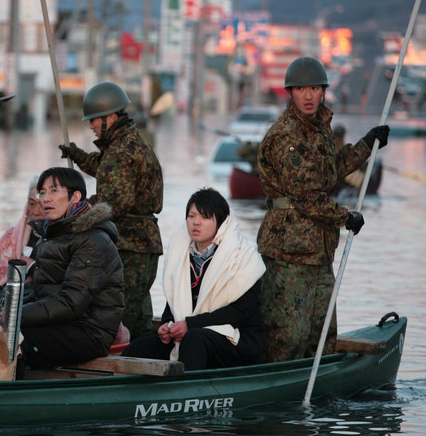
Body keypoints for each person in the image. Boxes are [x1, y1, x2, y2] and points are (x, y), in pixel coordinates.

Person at [256, 56, 390, 362]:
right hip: (290, 252)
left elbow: (331, 170)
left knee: (322, 335)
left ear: (323, 92)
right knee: (288, 336)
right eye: (301, 88)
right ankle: (279, 395)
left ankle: (318, 399)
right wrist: (346, 217)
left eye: (314, 88)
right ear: (289, 93)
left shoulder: (317, 130)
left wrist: (368, 144)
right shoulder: (287, 136)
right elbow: (305, 196)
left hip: (318, 250)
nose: (308, 95)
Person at [58, 81, 163, 339]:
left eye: (93, 120)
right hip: (144, 245)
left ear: (110, 117)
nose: (90, 125)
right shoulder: (129, 143)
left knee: (121, 316)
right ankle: (143, 358)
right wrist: (78, 156)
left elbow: (112, 203)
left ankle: (123, 367)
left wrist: (71, 209)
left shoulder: (120, 151)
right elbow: (108, 170)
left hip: (130, 248)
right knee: (139, 314)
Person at [122, 188, 265, 370]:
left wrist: (190, 325)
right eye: (191, 216)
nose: (196, 222)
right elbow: (173, 302)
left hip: (236, 339)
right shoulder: (180, 253)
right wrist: (167, 325)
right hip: (190, 335)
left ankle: (184, 395)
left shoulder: (242, 256)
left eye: (204, 217)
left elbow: (241, 312)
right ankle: (119, 393)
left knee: (195, 339)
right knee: (139, 346)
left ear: (221, 223)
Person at [19, 167, 124, 368]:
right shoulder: (53, 236)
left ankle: (10, 396)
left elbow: (71, 303)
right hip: (60, 323)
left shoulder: (94, 241)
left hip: (88, 332)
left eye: (54, 191)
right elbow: (42, 291)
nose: (45, 198)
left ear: (75, 196)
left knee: (17, 339)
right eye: (42, 192)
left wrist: (13, 315)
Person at [0, 175, 44, 289]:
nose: (36, 211)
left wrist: (29, 264)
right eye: (32, 204)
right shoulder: (12, 236)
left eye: (42, 205)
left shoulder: (58, 240)